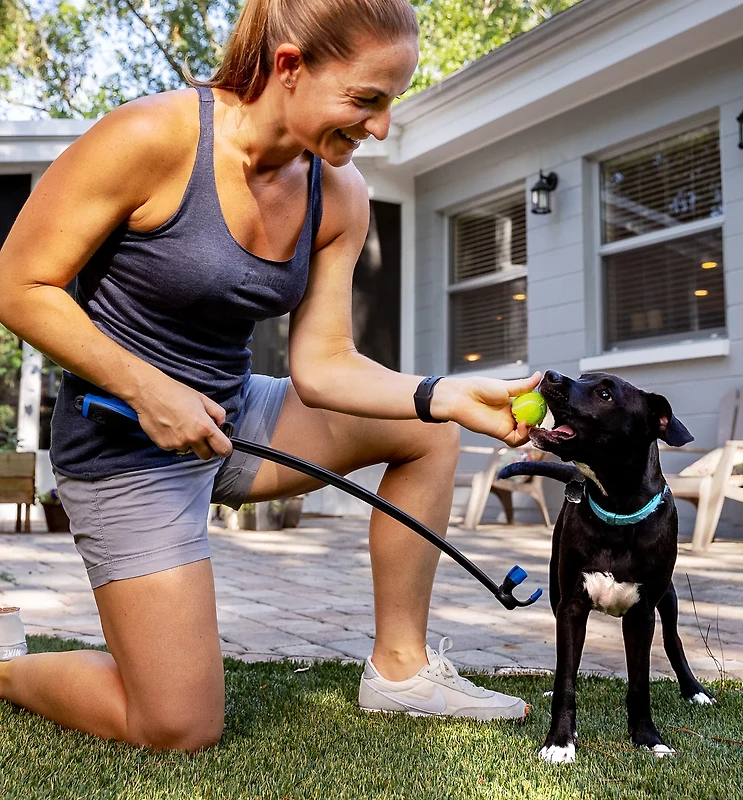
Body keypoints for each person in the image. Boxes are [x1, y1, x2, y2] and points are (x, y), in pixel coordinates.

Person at [0, 0, 541, 751]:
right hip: (123, 441)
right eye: (365, 100)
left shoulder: (338, 192)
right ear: (289, 67)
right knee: (176, 727)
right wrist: (146, 388)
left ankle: (399, 669)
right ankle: (5, 667)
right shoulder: (152, 137)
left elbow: (323, 362)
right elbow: (19, 285)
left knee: (428, 433)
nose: (381, 127)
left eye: (391, 104)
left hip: (232, 417)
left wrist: (439, 394)